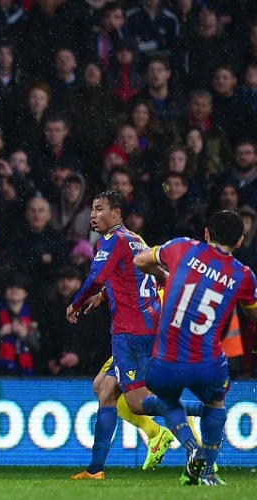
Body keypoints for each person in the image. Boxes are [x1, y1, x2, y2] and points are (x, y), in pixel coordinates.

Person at [65, 190, 201, 479]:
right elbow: (136, 275)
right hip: (148, 325)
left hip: (131, 332)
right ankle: (95, 469)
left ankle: (203, 415)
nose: (93, 215)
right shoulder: (135, 239)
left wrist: (75, 303)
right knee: (103, 387)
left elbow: (96, 276)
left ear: (116, 213)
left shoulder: (111, 239)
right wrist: (103, 297)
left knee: (138, 403)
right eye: (92, 209)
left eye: (99, 209)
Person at [135, 210, 257, 486]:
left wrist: (163, 275)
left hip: (164, 363)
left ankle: (192, 447)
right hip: (206, 364)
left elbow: (139, 260)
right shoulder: (243, 275)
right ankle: (209, 472)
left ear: (206, 233)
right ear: (240, 241)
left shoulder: (182, 247)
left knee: (166, 399)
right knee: (215, 403)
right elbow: (254, 315)